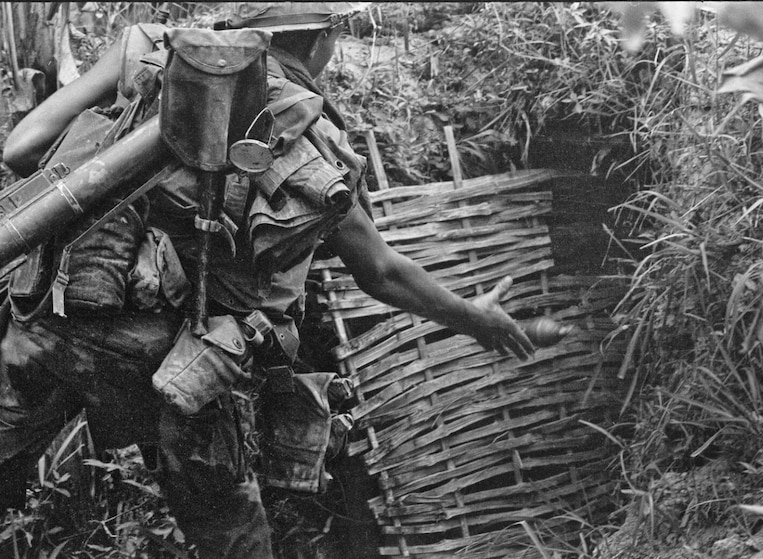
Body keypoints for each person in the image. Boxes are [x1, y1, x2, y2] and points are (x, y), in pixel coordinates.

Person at [0, 3, 535, 558]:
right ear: (320, 38)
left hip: (55, 323)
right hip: (185, 367)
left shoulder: (147, 49)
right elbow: (380, 271)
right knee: (234, 540)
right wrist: (476, 317)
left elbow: (22, 149)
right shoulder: (308, 133)